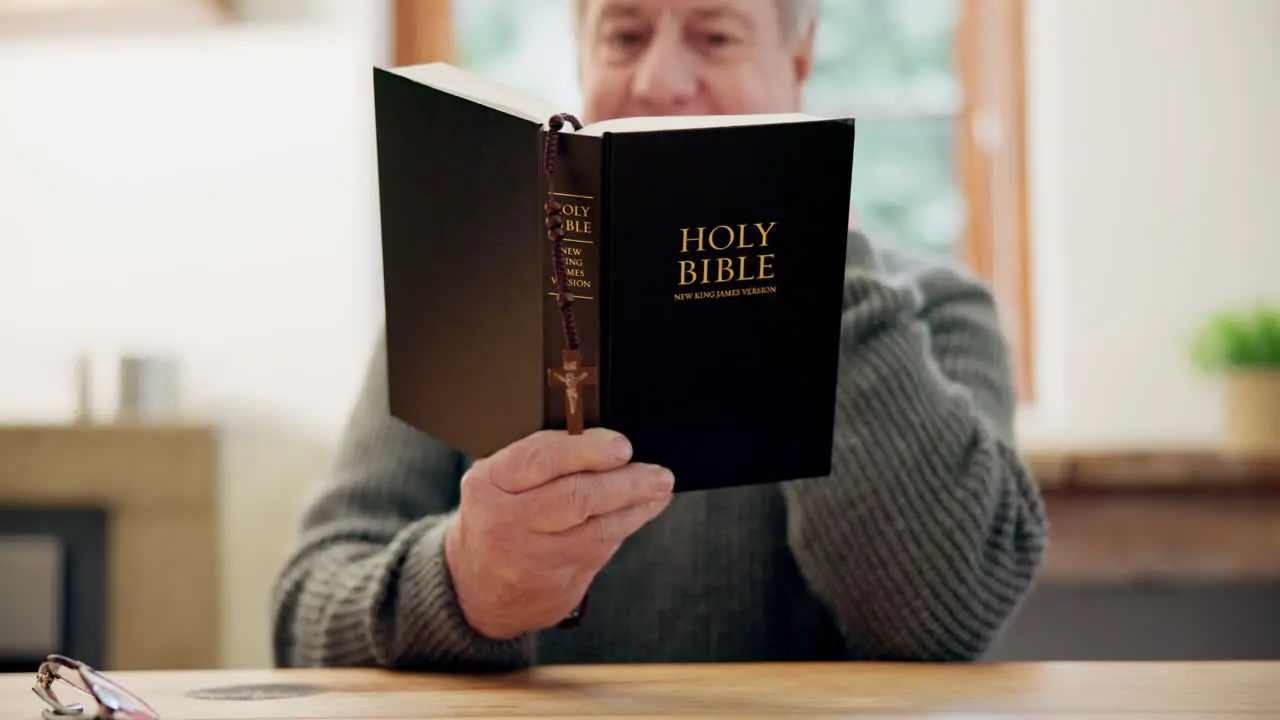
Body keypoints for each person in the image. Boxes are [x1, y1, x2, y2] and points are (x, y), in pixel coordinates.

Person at [270, 0, 1047, 671]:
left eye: (714, 37)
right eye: (625, 36)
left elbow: (947, 621)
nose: (657, 82)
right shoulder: (475, 292)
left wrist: (821, 259)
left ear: (798, 60)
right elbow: (303, 617)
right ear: (582, 56)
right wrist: (465, 584)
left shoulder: (935, 306)